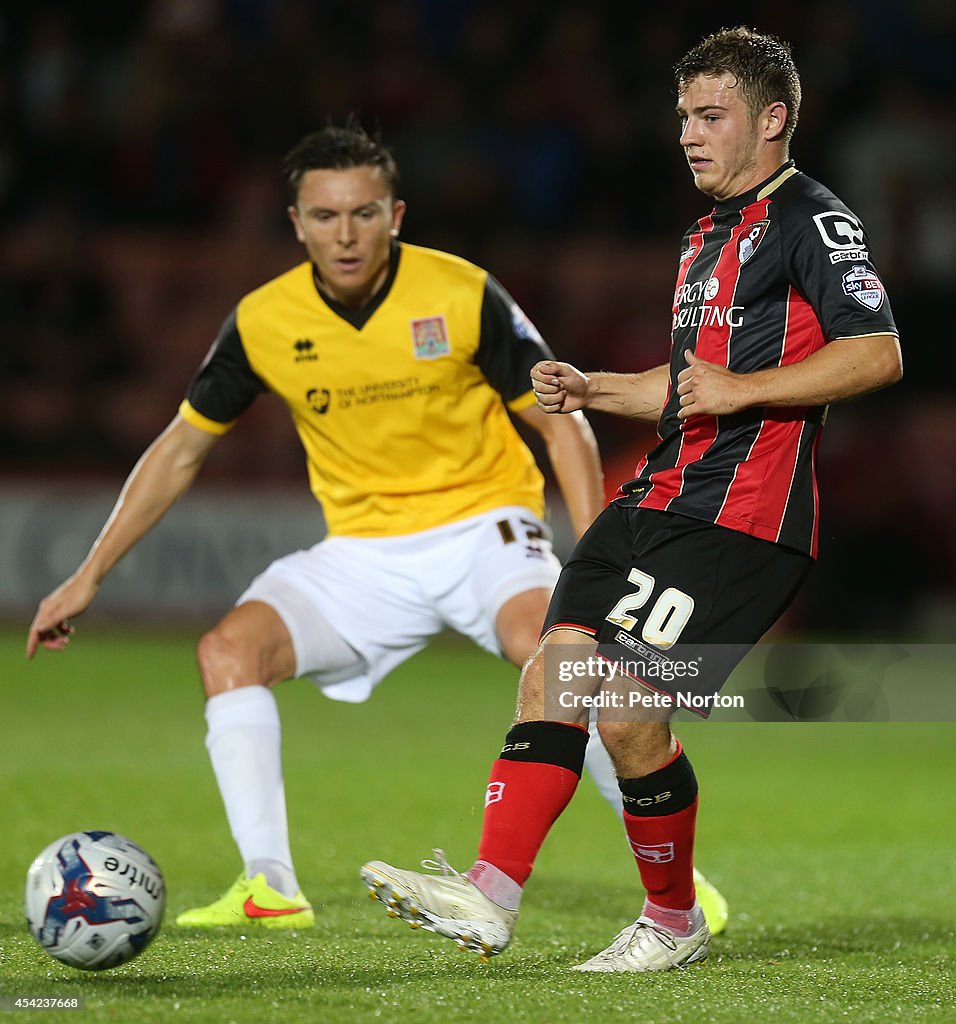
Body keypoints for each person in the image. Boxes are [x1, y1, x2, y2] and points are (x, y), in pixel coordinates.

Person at [24, 124, 726, 932]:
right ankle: (270, 888)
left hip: (483, 528)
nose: (345, 234)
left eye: (363, 213)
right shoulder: (263, 321)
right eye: (325, 216)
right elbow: (180, 449)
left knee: (566, 667)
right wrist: (90, 574)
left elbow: (561, 425)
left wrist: (593, 552)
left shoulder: (462, 292)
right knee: (227, 652)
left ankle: (679, 887)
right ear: (295, 223)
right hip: (360, 553)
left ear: (395, 214)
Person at [361, 27, 902, 972]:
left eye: (712, 116)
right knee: (551, 673)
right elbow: (687, 381)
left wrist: (744, 391)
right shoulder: (706, 235)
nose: (689, 134)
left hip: (738, 517)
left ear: (773, 120)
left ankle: (672, 921)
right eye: (684, 116)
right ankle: (489, 898)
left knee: (622, 709)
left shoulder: (815, 221)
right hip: (652, 497)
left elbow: (878, 352)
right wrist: (593, 387)